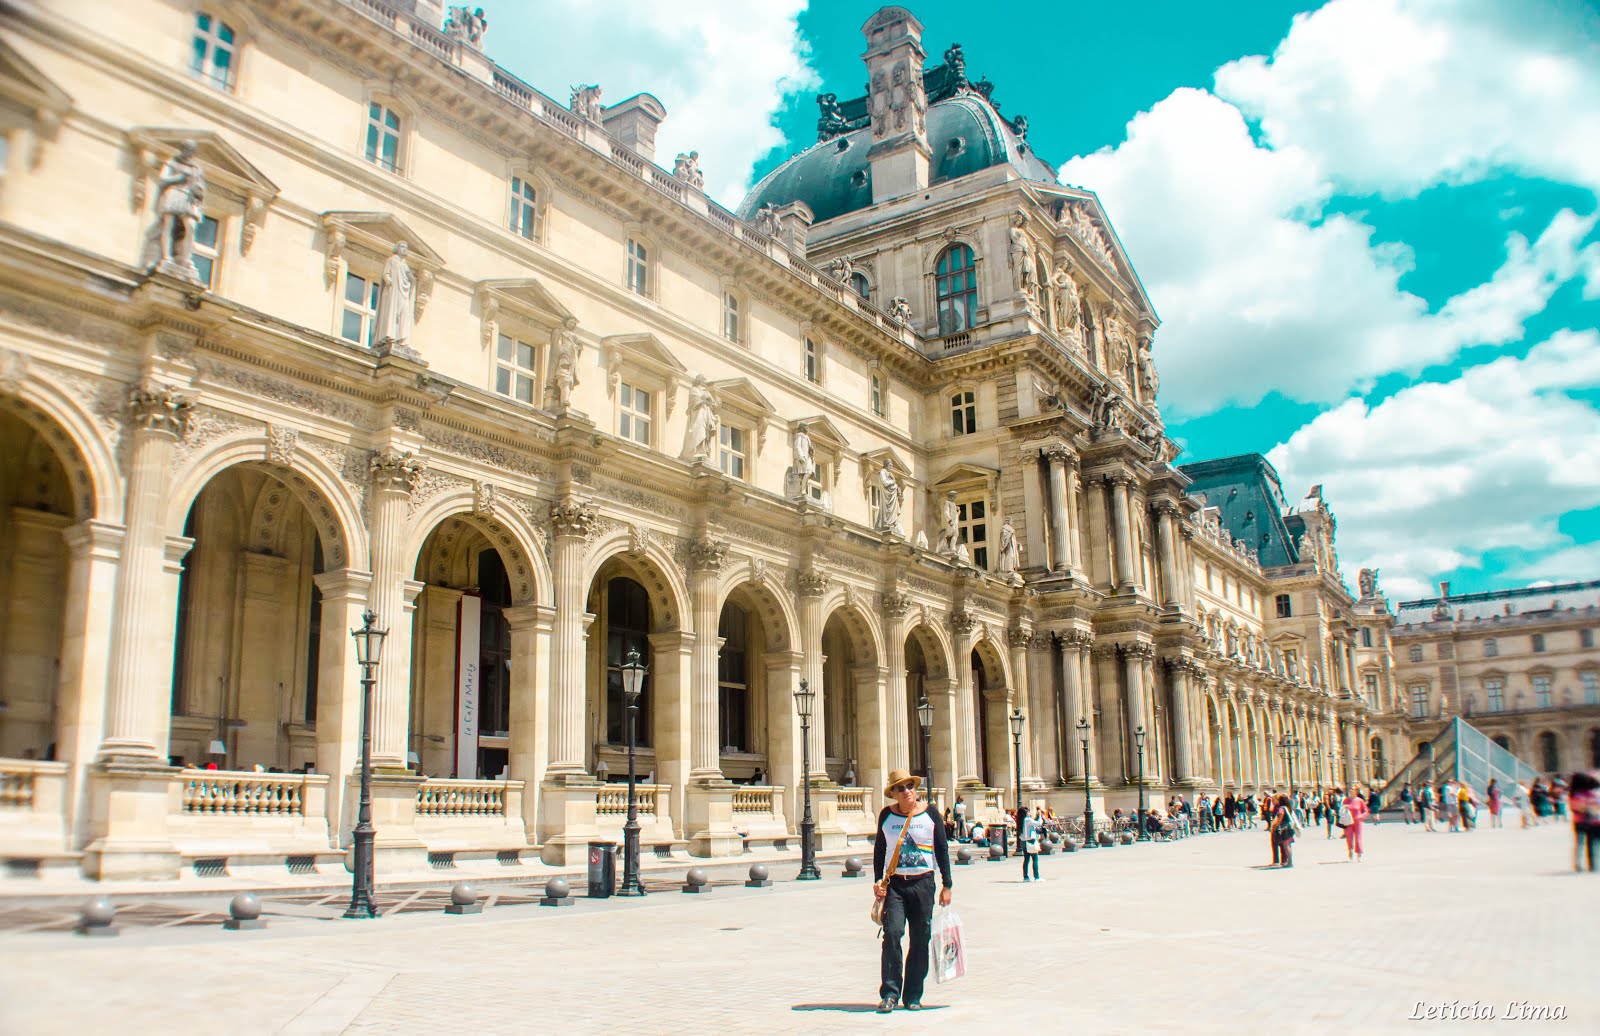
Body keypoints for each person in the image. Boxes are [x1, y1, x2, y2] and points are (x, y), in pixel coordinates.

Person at [872, 769, 953, 1013]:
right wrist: (878, 881)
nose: (907, 791)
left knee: (920, 939)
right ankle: (890, 993)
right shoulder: (886, 816)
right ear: (893, 794)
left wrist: (947, 884)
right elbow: (879, 850)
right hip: (896, 885)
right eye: (901, 788)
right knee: (893, 934)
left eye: (910, 786)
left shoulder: (930, 814)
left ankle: (913, 995)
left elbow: (941, 849)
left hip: (923, 884)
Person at [1342, 785, 1369, 862]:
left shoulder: (1360, 800)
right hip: (1348, 821)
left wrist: (1362, 816)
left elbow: (1366, 811)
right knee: (1349, 838)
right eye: (1350, 789)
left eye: (1352, 789)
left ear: (1356, 791)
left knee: (1358, 838)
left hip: (1358, 821)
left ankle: (1359, 854)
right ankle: (1350, 852)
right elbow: (1342, 811)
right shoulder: (1346, 800)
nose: (1351, 791)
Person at [1272, 793, 1296, 868]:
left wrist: (1275, 826)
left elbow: (1279, 819)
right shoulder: (1288, 807)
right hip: (1290, 827)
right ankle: (1289, 861)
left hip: (1284, 828)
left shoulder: (1281, 808)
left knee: (1286, 845)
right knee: (1288, 844)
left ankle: (1290, 862)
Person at [1018, 805, 1042, 881]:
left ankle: (1026, 877)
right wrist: (1040, 815)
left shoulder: (1020, 820)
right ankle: (1037, 877)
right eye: (1028, 811)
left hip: (1023, 841)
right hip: (1030, 841)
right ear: (1025, 813)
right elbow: (1039, 823)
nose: (1029, 813)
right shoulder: (1028, 819)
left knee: (1026, 859)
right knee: (1035, 859)